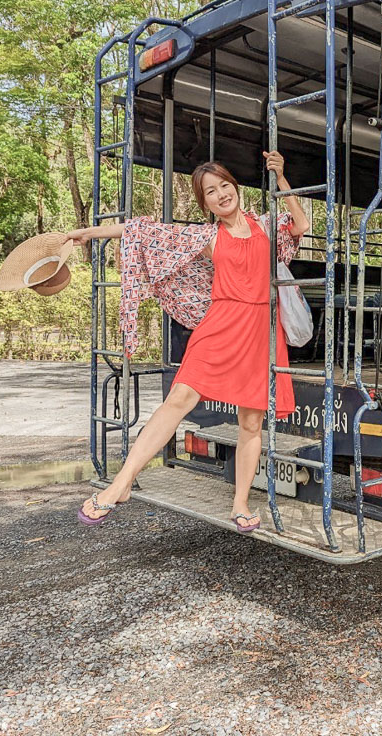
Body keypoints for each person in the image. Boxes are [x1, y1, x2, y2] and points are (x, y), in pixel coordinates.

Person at [72, 151, 309, 533]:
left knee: (251, 423)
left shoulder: (267, 225)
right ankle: (120, 483)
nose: (220, 194)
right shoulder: (207, 236)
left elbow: (301, 224)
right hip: (219, 327)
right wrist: (88, 233)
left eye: (224, 185)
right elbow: (142, 232)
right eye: (210, 192)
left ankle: (240, 503)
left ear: (235, 187)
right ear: (206, 204)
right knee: (176, 402)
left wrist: (282, 178)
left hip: (261, 332)